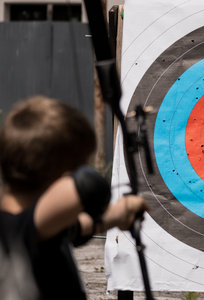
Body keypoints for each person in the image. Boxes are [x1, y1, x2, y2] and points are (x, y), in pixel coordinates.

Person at [0, 96, 149, 299]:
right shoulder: (15, 228)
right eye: (79, 167)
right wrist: (87, 182)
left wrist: (117, 215)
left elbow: (76, 228)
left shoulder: (47, 227)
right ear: (63, 175)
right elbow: (81, 189)